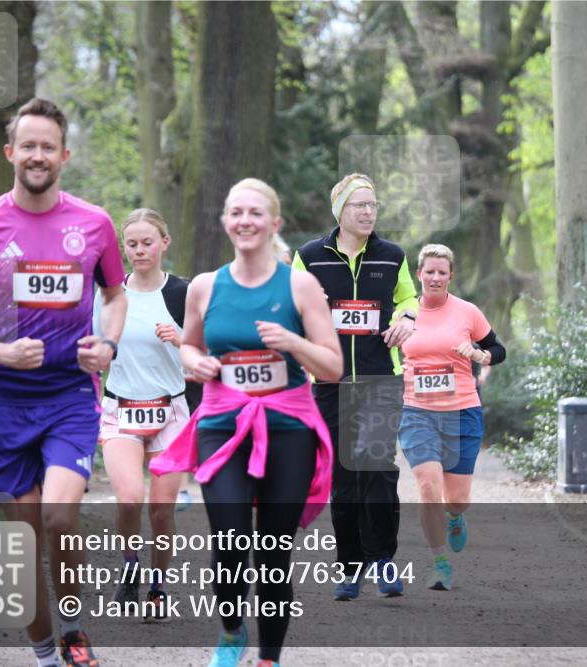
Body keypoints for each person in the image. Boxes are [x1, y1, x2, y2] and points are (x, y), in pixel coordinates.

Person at [0, 98, 127, 667]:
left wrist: (109, 344)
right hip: (7, 402)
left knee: (60, 518)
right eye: (29, 145)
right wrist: (3, 351)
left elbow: (116, 294)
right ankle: (46, 654)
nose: (38, 155)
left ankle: (72, 629)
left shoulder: (94, 223)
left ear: (64, 156)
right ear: (10, 153)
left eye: (48, 146)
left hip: (70, 395)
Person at [149, 178, 341, 667]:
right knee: (231, 541)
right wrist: (194, 362)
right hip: (222, 423)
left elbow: (333, 366)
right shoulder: (206, 286)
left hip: (288, 427)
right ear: (226, 222)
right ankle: (233, 629)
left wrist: (294, 344)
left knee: (273, 554)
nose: (245, 221)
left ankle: (268, 658)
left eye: (255, 213)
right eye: (236, 212)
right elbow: (190, 343)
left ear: (273, 223)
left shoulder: (298, 285)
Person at [292, 173, 417, 600]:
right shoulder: (309, 256)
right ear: (339, 211)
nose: (368, 212)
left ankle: (383, 559)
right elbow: (293, 304)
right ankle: (350, 568)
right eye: (359, 205)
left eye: (373, 205)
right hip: (329, 381)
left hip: (382, 377)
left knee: (379, 468)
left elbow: (408, 299)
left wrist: (407, 319)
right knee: (344, 477)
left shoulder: (391, 255)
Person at [94, 208, 191, 621]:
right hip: (121, 410)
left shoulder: (183, 293)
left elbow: (208, 355)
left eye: (147, 242)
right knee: (131, 498)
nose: (139, 250)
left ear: (164, 243)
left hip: (170, 412)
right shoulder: (110, 295)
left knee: (162, 509)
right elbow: (94, 346)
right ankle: (130, 563)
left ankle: (158, 585)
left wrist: (182, 339)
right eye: (131, 244)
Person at [398, 243, 505, 591]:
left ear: (450, 276)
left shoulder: (467, 312)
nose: (435, 277)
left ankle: (454, 517)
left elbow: (497, 349)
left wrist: (478, 354)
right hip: (418, 412)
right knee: (428, 485)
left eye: (442, 272)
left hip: (462, 412)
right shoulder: (405, 313)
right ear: (419, 274)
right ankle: (440, 562)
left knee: (457, 499)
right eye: (429, 271)